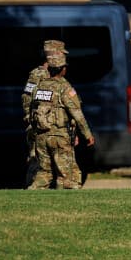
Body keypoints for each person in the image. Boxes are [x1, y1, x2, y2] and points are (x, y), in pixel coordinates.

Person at [27, 53, 96, 189]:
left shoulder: (38, 88)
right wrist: (87, 135)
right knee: (66, 176)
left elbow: (31, 112)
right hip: (59, 136)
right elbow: (77, 114)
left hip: (41, 137)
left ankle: (32, 194)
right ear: (62, 69)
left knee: (44, 174)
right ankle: (65, 204)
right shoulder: (64, 88)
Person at [21, 40, 70, 186]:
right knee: (38, 163)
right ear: (54, 53)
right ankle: (32, 194)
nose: (63, 55)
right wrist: (33, 121)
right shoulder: (38, 74)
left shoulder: (56, 73)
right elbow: (27, 99)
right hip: (40, 126)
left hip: (55, 126)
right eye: (61, 52)